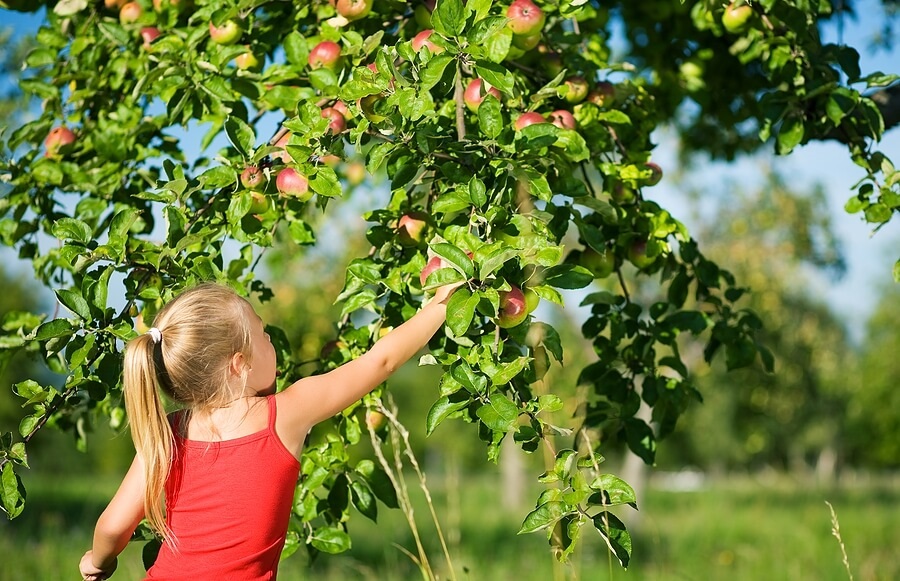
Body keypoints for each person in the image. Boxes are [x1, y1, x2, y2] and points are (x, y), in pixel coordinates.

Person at [79, 280, 458, 580]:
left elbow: (112, 527)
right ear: (239, 364)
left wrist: (99, 562)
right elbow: (382, 361)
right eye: (263, 334)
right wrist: (442, 303)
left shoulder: (167, 434)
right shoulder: (286, 413)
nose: (272, 341)